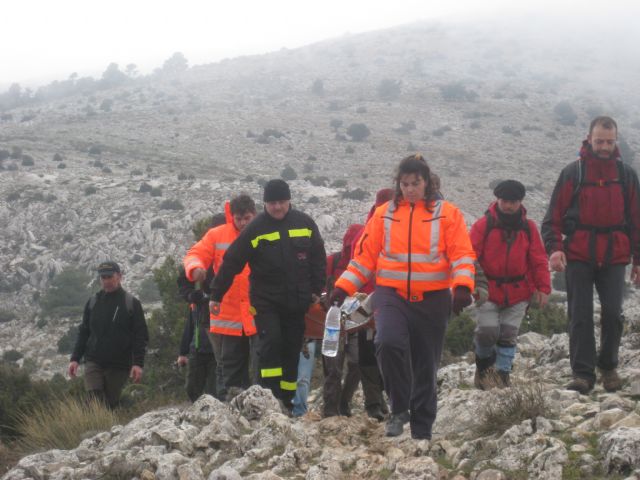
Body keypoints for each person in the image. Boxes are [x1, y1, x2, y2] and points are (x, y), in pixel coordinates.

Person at [331, 154, 475, 439]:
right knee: (387, 342)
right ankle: (398, 409)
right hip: (390, 293)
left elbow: (461, 253)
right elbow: (364, 259)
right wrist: (342, 287)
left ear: (427, 183)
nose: (410, 189)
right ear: (398, 184)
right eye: (404, 183)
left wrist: (462, 286)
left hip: (433, 298)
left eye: (415, 183)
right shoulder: (383, 214)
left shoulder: (448, 214)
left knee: (426, 364)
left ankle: (422, 429)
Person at [542, 116, 640, 394]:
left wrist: (638, 260)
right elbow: (552, 218)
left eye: (609, 141)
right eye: (599, 141)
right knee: (580, 315)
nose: (605, 147)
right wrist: (555, 249)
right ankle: (583, 374)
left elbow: (636, 220)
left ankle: (608, 366)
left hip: (615, 254)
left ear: (616, 140)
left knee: (613, 314)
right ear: (589, 139)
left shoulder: (626, 175)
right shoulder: (573, 173)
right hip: (579, 253)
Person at [210, 179, 327, 412]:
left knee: (291, 350)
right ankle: (268, 397)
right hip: (266, 302)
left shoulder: (305, 223)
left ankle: (286, 400)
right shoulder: (255, 228)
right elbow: (232, 261)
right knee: (270, 344)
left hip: (297, 302)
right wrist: (216, 294)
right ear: (265, 203)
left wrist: (316, 289)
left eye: (281, 202)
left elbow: (318, 258)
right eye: (272, 203)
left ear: (289, 201)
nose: (277, 207)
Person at [470, 180, 551, 389]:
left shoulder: (529, 228)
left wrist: (543, 288)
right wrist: (472, 284)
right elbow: (469, 256)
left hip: (519, 291)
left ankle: (503, 374)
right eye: (505, 201)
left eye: (513, 202)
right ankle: (483, 367)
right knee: (487, 332)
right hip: (487, 289)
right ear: (497, 199)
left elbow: (538, 259)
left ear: (520, 202)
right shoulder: (483, 225)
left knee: (508, 333)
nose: (508, 206)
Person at [184, 195, 258, 400]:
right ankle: (232, 411)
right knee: (231, 370)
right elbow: (195, 253)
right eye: (239, 218)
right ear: (231, 217)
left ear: (255, 214)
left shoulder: (265, 231)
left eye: (247, 218)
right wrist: (195, 268)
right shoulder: (217, 235)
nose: (243, 223)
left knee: (263, 365)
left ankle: (267, 407)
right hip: (229, 316)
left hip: (259, 312)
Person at [68, 261, 149, 409]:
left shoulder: (131, 303)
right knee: (94, 399)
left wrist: (138, 363)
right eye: (102, 277)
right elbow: (84, 332)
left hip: (119, 365)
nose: (106, 281)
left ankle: (109, 430)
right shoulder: (93, 302)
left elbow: (140, 335)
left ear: (119, 277)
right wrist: (75, 359)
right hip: (93, 360)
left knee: (109, 405)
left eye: (109, 276)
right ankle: (89, 429)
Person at [322, 224, 364, 418]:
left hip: (357, 322)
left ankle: (343, 403)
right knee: (333, 368)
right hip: (333, 323)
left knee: (356, 364)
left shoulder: (365, 265)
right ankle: (331, 409)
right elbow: (320, 285)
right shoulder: (333, 261)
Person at [291, 302, 325, 417]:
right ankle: (290, 407)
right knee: (292, 376)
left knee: (303, 378)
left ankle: (300, 411)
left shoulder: (312, 292)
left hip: (307, 337)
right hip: (289, 333)